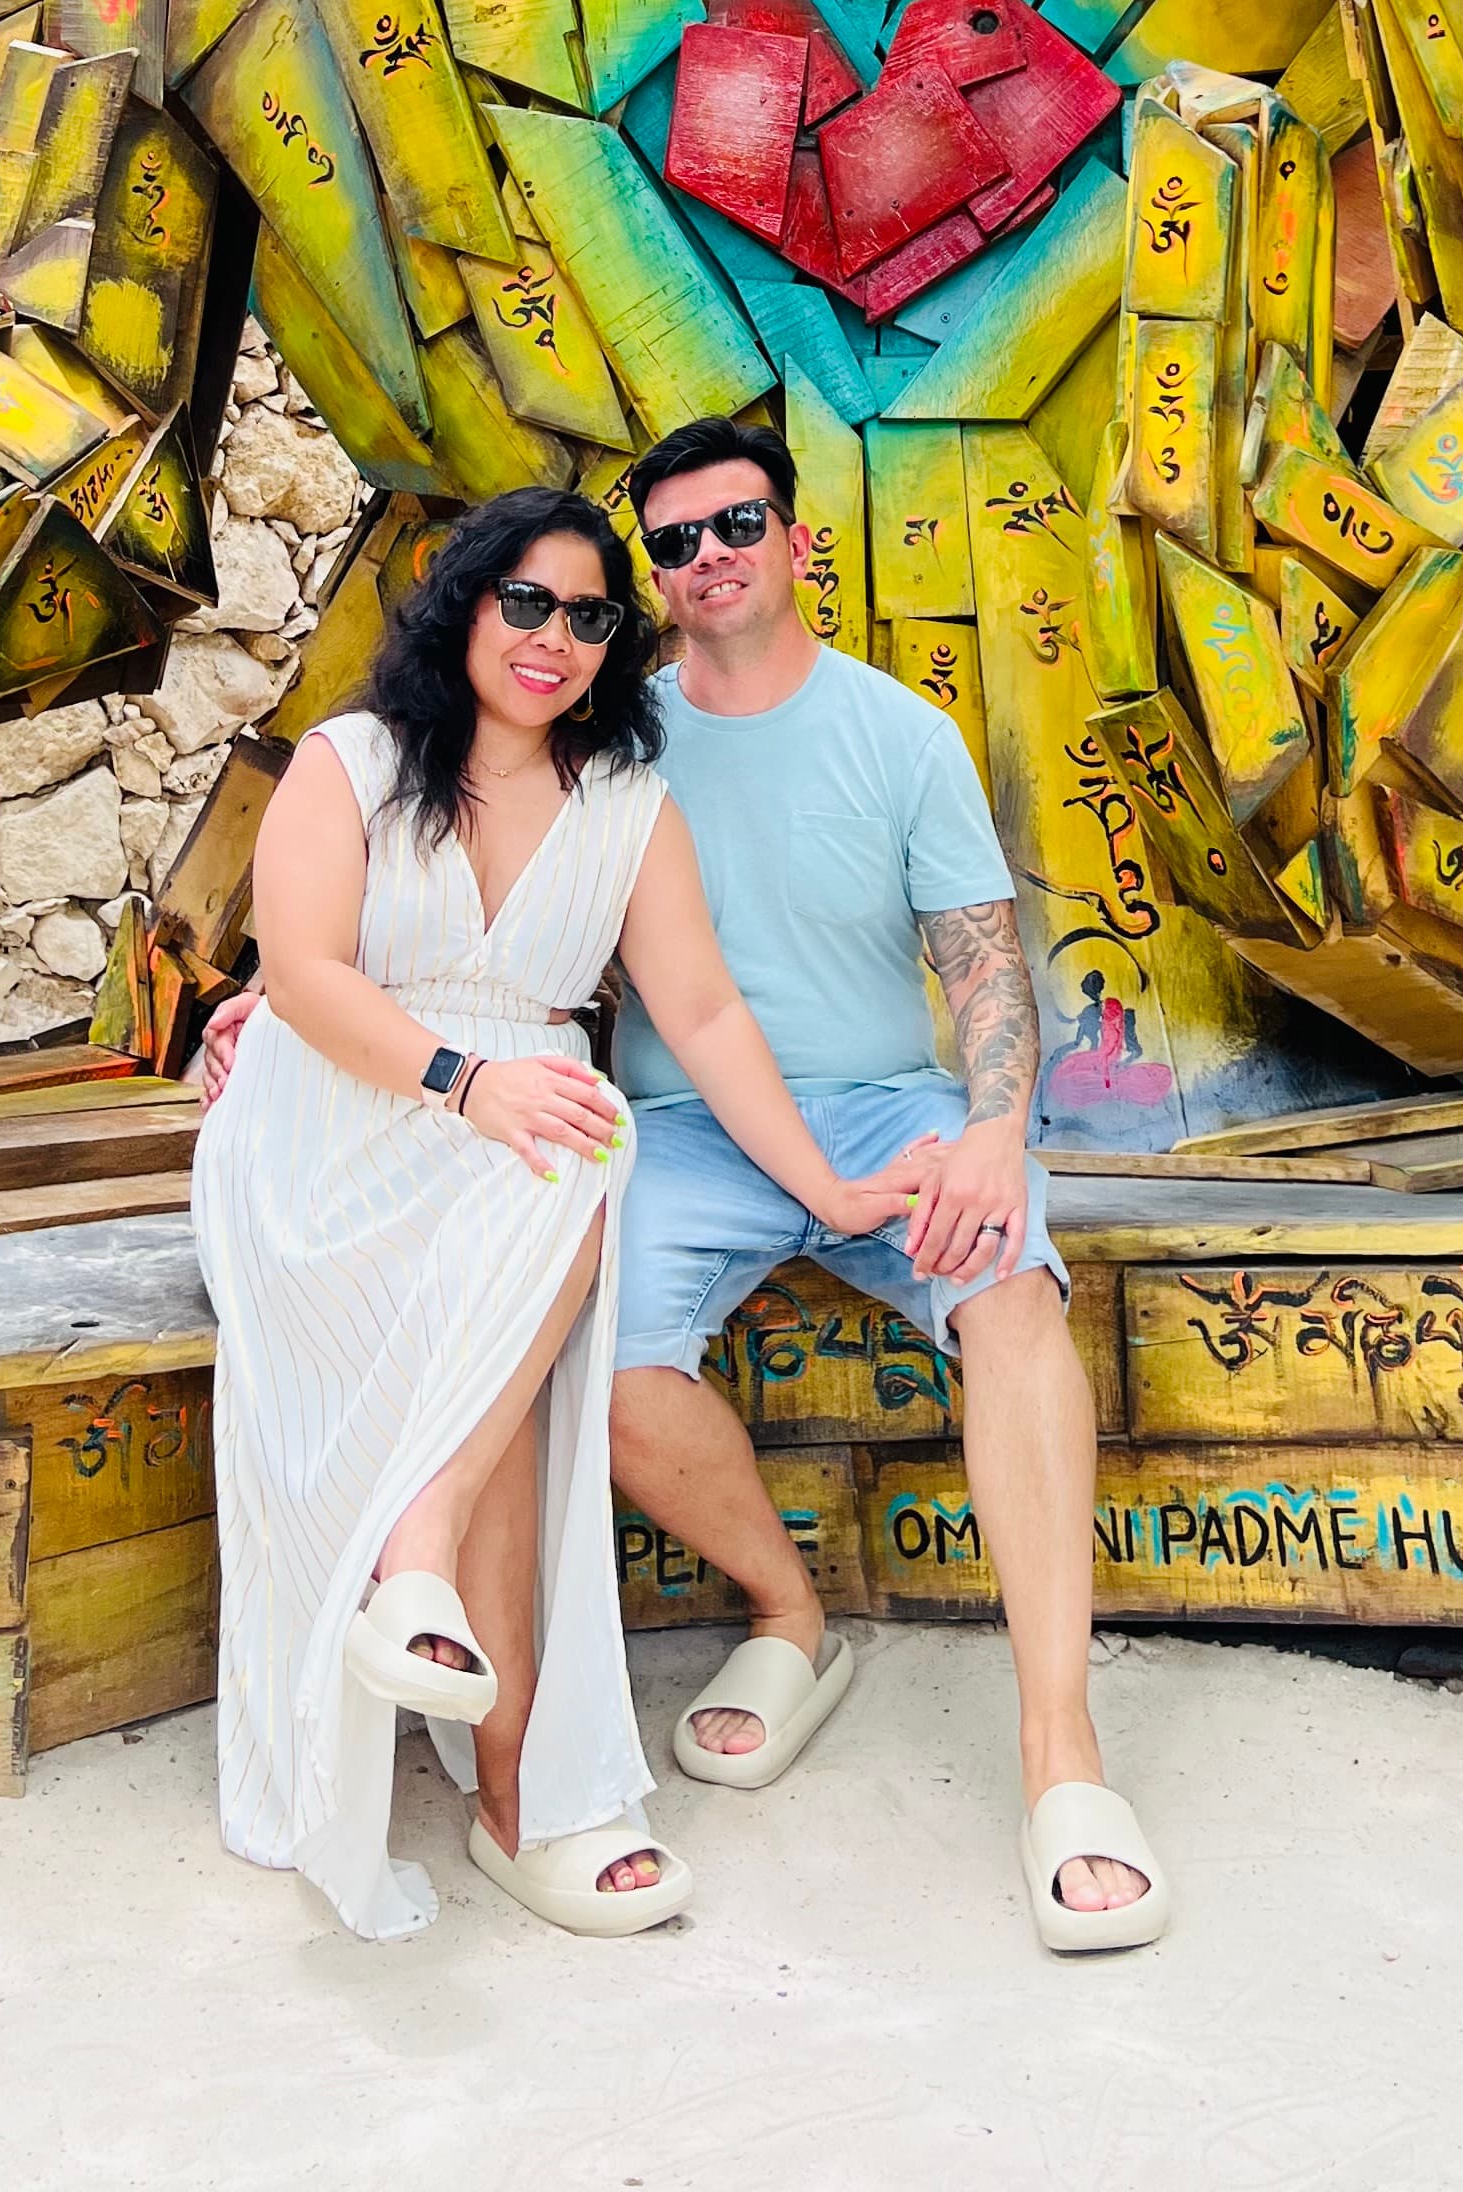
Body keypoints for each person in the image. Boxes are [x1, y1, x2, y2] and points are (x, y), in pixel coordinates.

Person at [192, 483, 917, 1945]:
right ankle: (513, 1774)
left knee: (570, 1154)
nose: (557, 639)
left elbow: (700, 1010)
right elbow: (308, 976)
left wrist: (829, 1190)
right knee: (553, 1157)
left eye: (591, 618)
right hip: (339, 1113)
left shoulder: (626, 806)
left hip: (512, 1144)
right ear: (464, 601)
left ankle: (442, 1617)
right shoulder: (352, 761)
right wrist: (467, 1081)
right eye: (526, 601)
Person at [607, 415, 1168, 1958]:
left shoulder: (896, 732)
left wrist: (998, 1129)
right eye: (675, 542)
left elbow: (983, 967)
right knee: (598, 1359)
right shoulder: (617, 740)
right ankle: (790, 1617)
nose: (708, 556)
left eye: (736, 526)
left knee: (1011, 1294)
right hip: (686, 1132)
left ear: (799, 545)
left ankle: (1063, 1751)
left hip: (889, 1118)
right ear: (655, 577)